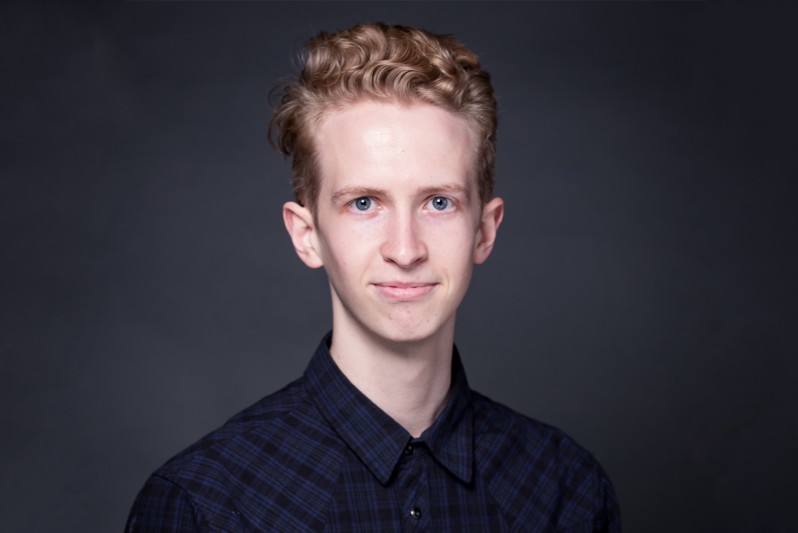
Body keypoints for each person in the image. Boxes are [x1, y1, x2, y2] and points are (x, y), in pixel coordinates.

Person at [126, 22, 620, 532]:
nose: (405, 250)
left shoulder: (567, 491)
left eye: (439, 202)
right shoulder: (202, 505)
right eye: (364, 203)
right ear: (307, 235)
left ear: (484, 230)